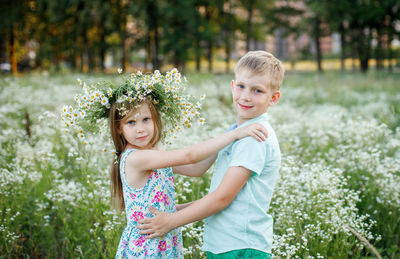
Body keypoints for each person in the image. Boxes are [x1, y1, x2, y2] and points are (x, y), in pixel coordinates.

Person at [62, 69, 268, 259]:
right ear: (118, 129)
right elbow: (189, 156)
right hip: (146, 247)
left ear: (155, 120)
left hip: (164, 239)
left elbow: (196, 169)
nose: (141, 129)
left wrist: (228, 140)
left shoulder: (152, 153)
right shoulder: (135, 158)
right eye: (131, 123)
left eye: (145, 119)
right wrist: (234, 134)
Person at [137, 51, 284, 259]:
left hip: (241, 247)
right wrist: (144, 158)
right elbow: (196, 169)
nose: (246, 96)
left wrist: (170, 221)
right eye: (241, 86)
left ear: (273, 98)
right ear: (232, 87)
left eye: (257, 90)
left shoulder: (254, 138)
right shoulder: (237, 132)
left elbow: (222, 198)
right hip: (226, 244)